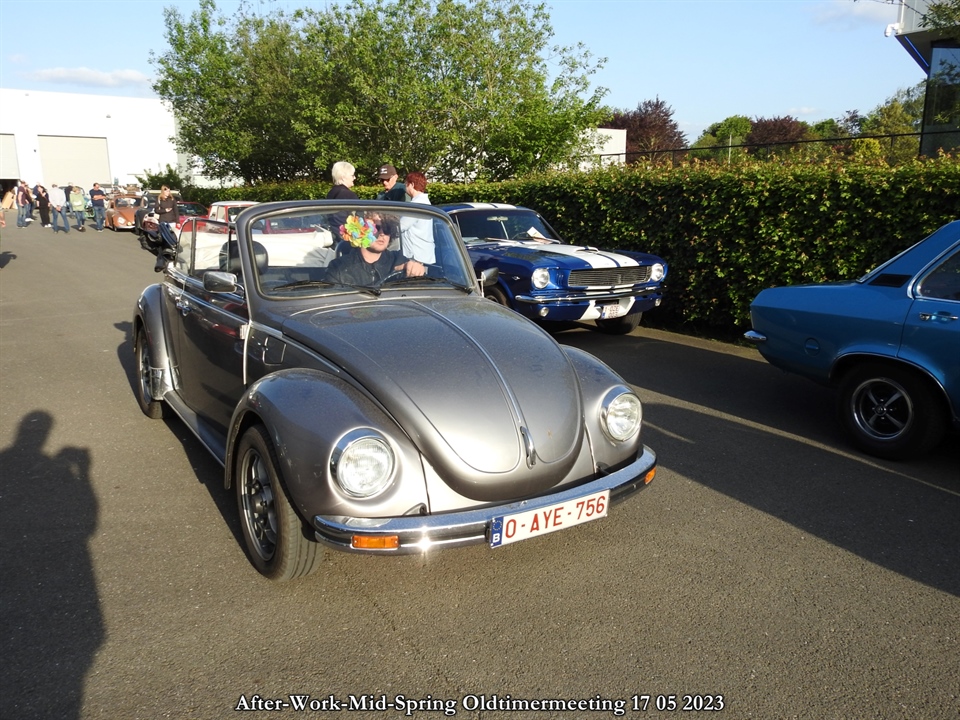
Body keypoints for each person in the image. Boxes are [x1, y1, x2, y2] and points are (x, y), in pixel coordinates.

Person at [325, 214, 425, 287]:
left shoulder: (399, 260)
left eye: (387, 229)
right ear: (360, 231)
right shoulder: (338, 267)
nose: (382, 233)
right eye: (376, 228)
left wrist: (415, 270)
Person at [398, 171, 435, 264]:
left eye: (406, 184)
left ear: (412, 184)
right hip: (424, 254)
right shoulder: (425, 202)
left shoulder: (416, 205)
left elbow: (400, 226)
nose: (405, 187)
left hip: (416, 256)